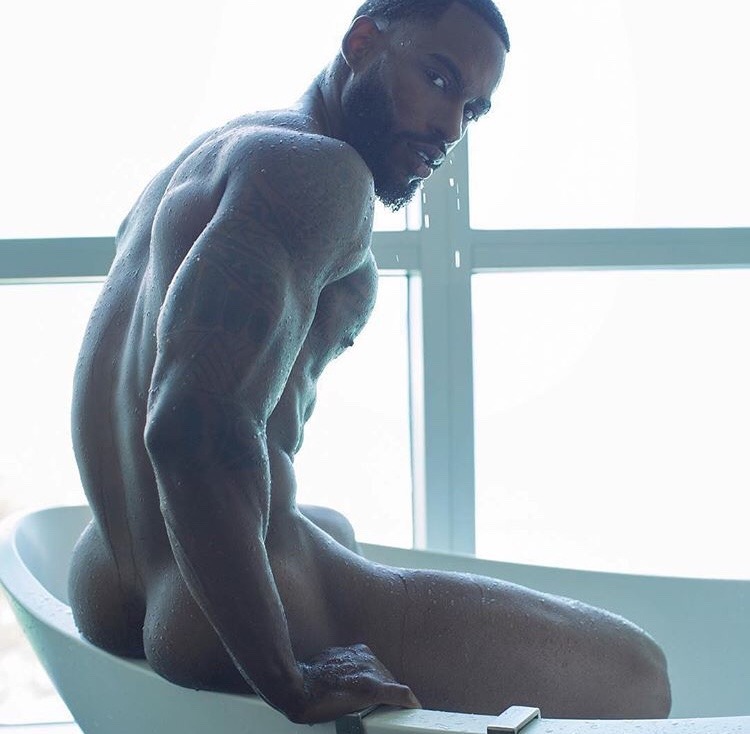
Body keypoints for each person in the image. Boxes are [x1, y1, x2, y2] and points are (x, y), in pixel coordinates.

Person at [67, 0, 671, 724]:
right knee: (641, 675)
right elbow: (192, 425)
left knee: (337, 526)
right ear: (360, 43)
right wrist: (288, 678)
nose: (451, 129)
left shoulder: (210, 156)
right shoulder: (318, 172)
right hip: (216, 610)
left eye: (472, 111)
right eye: (439, 79)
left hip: (112, 572)